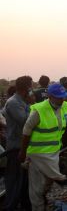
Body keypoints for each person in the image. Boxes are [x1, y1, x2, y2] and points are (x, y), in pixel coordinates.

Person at [19, 83, 67, 211]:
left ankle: (45, 202)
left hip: (53, 153)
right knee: (37, 189)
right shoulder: (39, 110)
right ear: (50, 96)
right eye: (59, 97)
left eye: (63, 97)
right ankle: (38, 207)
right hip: (38, 154)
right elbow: (26, 131)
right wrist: (23, 153)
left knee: (46, 184)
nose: (62, 99)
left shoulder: (64, 107)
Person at [3, 76, 34, 211]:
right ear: (26, 88)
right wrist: (30, 105)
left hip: (24, 146)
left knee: (24, 180)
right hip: (16, 147)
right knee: (14, 179)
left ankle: (23, 204)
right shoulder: (14, 103)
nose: (32, 89)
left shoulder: (21, 101)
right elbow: (26, 122)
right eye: (31, 86)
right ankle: (10, 206)